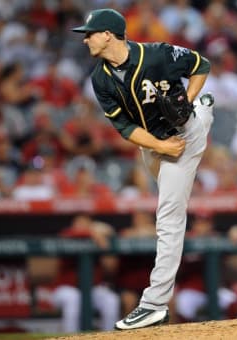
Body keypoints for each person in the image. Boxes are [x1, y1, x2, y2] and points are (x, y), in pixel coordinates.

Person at [72, 8, 214, 330]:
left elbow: (200, 65)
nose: (85, 40)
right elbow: (123, 126)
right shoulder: (99, 78)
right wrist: (158, 146)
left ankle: (154, 304)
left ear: (107, 34)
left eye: (89, 33)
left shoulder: (156, 54)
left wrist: (189, 99)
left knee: (168, 219)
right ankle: (205, 112)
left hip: (182, 137)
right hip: (152, 144)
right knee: (164, 187)